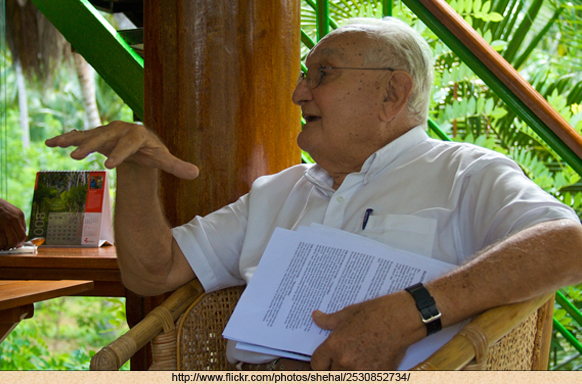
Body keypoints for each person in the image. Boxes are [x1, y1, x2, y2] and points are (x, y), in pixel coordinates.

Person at [45, 17, 582, 370]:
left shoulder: (466, 173)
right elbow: (151, 272)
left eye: (320, 74)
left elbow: (569, 244)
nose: (299, 92)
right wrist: (137, 172)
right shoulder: (279, 190)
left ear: (392, 93)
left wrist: (411, 311)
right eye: (304, 75)